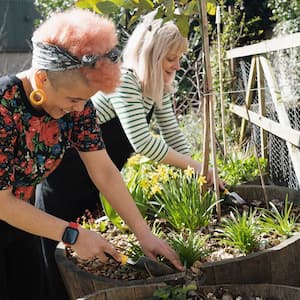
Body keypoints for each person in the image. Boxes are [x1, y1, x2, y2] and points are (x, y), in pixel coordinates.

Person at [0, 8, 184, 300]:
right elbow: (3, 203)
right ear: (42, 78)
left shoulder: (79, 106)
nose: (78, 109)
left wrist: (143, 233)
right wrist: (72, 235)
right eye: (73, 99)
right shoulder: (4, 106)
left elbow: (104, 171)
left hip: (23, 221)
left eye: (83, 101)